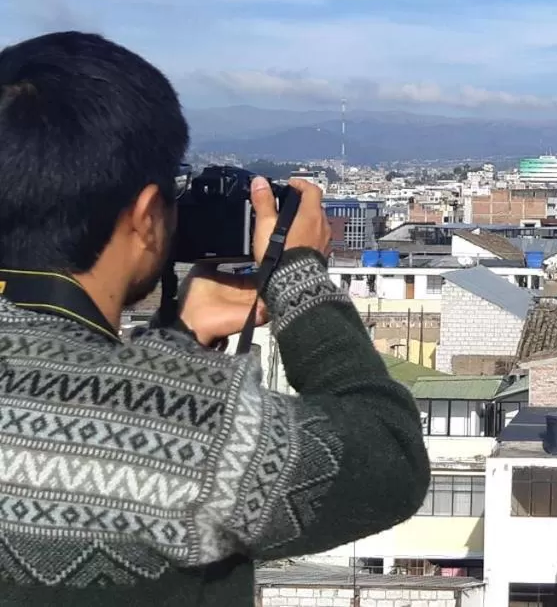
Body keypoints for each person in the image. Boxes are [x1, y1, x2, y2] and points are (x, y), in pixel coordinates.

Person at [0, 32, 430, 605]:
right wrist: (299, 276)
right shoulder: (185, 425)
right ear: (149, 215)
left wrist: (172, 343)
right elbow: (390, 459)